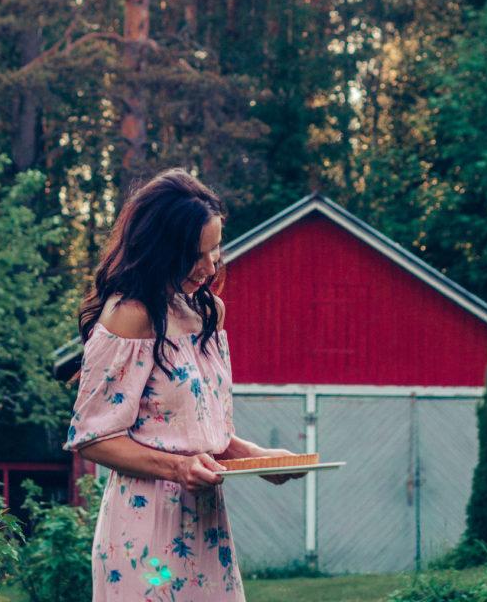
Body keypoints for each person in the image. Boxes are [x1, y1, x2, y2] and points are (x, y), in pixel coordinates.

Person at [63, 167, 305, 600]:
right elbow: (93, 438)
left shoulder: (207, 313)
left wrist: (260, 460)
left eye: (216, 250)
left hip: (206, 529)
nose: (210, 267)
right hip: (145, 533)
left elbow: (199, 430)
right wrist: (179, 467)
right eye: (197, 254)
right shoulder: (129, 317)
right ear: (162, 249)